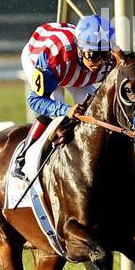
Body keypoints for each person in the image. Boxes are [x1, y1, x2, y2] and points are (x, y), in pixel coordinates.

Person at [11, 14, 116, 179]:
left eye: (105, 55)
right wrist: (66, 110)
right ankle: (23, 156)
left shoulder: (110, 62)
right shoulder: (54, 59)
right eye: (94, 56)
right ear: (80, 49)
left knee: (93, 112)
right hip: (45, 61)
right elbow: (36, 101)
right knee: (57, 111)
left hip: (73, 69)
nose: (100, 63)